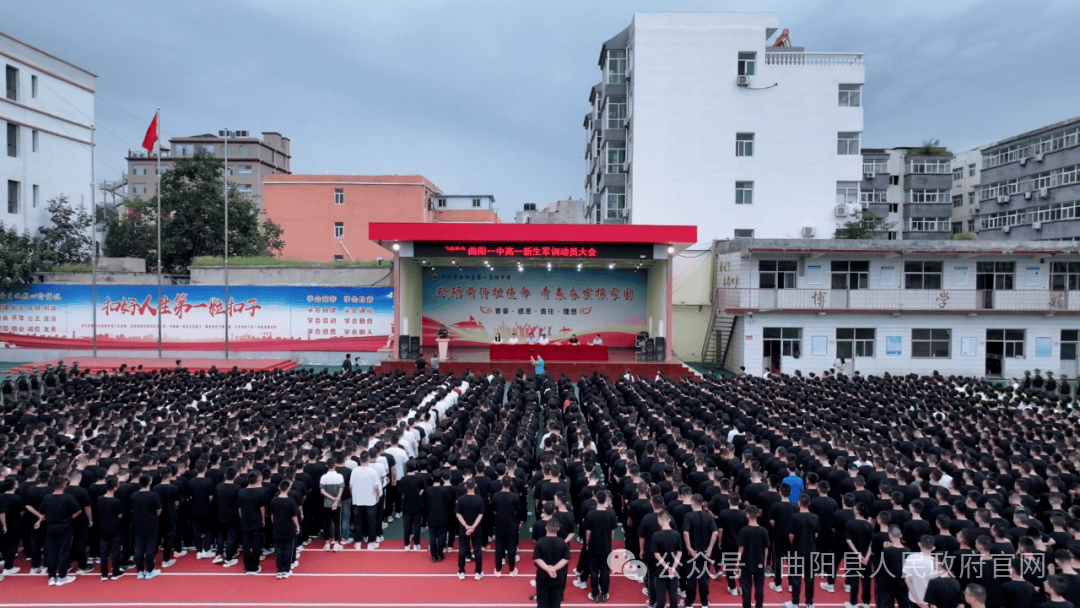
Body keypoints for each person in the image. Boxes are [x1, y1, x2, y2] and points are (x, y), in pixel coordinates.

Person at [40, 476, 80, 586]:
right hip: (65, 527)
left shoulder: (47, 498)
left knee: (51, 552)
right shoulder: (68, 497)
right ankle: (62, 576)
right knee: (64, 552)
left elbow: (42, 512)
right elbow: (78, 511)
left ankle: (51, 576)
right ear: (63, 485)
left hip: (50, 528)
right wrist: (70, 518)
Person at [582, 490, 617, 602]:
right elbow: (612, 532)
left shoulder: (590, 514)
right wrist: (611, 544)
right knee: (605, 570)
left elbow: (588, 532)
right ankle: (605, 593)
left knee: (594, 571)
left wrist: (587, 544)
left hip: (593, 547)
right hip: (606, 547)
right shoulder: (611, 514)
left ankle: (595, 593)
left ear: (596, 499)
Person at [130, 475, 162, 580]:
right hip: (151, 524)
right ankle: (150, 571)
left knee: (139, 547)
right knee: (150, 547)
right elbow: (159, 510)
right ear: (150, 482)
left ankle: (140, 571)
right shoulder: (154, 495)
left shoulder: (134, 495)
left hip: (138, 524)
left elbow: (132, 509)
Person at [534, 518, 570, 608]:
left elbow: (537, 559)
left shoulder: (540, 542)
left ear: (546, 528)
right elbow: (566, 559)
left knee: (542, 602)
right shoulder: (563, 543)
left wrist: (548, 568)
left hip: (543, 576)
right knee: (555, 603)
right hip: (558, 577)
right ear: (558, 529)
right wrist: (554, 568)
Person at [350, 451, 382, 550]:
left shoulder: (355, 470)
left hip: (358, 500)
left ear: (360, 459)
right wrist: (377, 496)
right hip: (370, 500)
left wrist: (354, 496)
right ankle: (371, 543)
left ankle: (358, 543)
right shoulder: (372, 472)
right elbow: (376, 486)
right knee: (371, 522)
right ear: (368, 458)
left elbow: (351, 486)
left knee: (358, 522)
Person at [455, 478, 485, 581]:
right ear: (475, 486)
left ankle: (461, 572)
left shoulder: (461, 499)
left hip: (464, 529)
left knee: (462, 551)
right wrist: (473, 527)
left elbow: (458, 513)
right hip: (476, 529)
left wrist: (466, 526)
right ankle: (478, 572)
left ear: (465, 486)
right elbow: (480, 515)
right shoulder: (479, 499)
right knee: (477, 550)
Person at [651, 511, 683, 608]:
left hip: (660, 571)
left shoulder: (656, 535)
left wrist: (666, 567)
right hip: (674, 571)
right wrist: (672, 568)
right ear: (669, 520)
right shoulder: (676, 534)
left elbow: (656, 554)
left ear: (659, 521)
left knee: (660, 599)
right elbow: (679, 552)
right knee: (673, 597)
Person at [270, 480, 300, 579]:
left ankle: (279, 570)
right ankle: (286, 570)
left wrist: (274, 524)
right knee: (288, 550)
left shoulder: (274, 500)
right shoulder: (291, 501)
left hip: (277, 528)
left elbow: (272, 515)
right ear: (288, 489)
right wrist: (297, 526)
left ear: (279, 488)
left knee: (278, 550)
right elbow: (294, 516)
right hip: (289, 528)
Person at [491, 475, 520, 577]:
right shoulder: (515, 496)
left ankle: (498, 570)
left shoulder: (495, 496)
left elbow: (494, 510)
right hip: (511, 524)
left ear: (501, 483)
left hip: (499, 525)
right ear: (511, 484)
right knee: (511, 548)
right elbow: (517, 510)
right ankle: (512, 570)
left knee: (499, 548)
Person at [96, 478, 124, 581]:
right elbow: (120, 515)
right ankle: (115, 572)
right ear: (115, 488)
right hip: (115, 528)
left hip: (103, 528)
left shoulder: (99, 499)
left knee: (104, 552)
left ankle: (104, 574)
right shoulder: (117, 501)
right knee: (115, 551)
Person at [238, 472, 266, 575]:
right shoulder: (260, 492)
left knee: (246, 544)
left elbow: (239, 508)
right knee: (256, 544)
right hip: (256, 520)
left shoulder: (241, 492)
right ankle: (254, 566)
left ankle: (247, 565)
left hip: (245, 520)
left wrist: (242, 518)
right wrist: (263, 520)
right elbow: (262, 508)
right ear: (258, 479)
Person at [320, 465, 345, 551]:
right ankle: (337, 544)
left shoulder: (324, 477)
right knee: (337, 522)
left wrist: (331, 498)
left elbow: (322, 491)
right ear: (334, 465)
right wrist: (336, 500)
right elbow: (341, 489)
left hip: (327, 503)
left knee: (327, 523)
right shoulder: (339, 476)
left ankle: (327, 543)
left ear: (327, 466)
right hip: (337, 504)